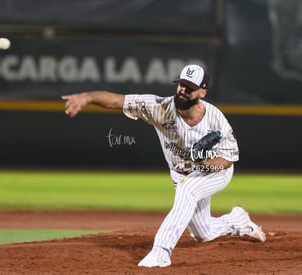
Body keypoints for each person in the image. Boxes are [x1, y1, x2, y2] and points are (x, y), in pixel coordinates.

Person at [62, 64, 266, 267]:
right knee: (203, 233)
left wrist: (204, 163)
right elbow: (117, 100)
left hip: (216, 171)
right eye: (181, 85)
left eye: (190, 87)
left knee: (189, 189)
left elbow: (228, 158)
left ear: (202, 92)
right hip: (181, 173)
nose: (183, 91)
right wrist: (86, 97)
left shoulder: (216, 119)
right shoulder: (159, 108)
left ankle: (161, 252)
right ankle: (237, 220)